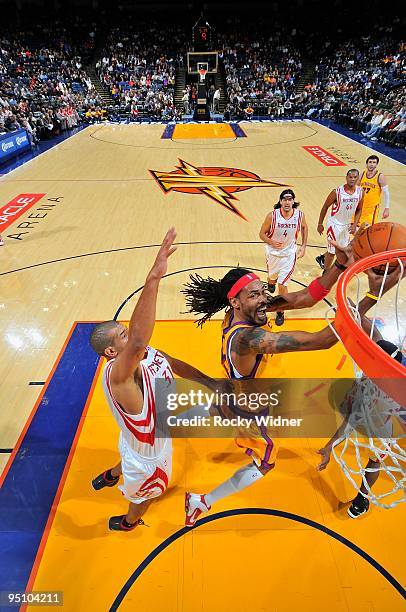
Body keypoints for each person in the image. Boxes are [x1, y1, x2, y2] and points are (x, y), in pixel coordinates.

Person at [182, 243, 361, 526]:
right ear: (235, 302)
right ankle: (201, 502)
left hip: (233, 390)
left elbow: (305, 297)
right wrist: (361, 306)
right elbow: (321, 341)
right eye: (255, 294)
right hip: (252, 410)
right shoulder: (248, 339)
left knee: (219, 406)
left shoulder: (241, 312)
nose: (264, 298)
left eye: (263, 292)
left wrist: (338, 266)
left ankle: (164, 425)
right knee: (264, 464)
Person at [90, 228, 221, 531]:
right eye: (123, 333)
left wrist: (208, 381)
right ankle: (128, 522)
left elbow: (172, 363)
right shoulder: (118, 376)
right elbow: (136, 340)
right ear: (111, 351)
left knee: (126, 445)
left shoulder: (146, 353)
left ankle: (112, 474)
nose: (132, 332)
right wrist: (153, 279)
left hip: (138, 437)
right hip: (149, 456)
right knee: (145, 497)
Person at [317, 337, 403, 518]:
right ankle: (363, 498)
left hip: (389, 420)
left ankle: (362, 496)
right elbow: (350, 419)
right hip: (378, 414)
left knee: (374, 461)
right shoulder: (365, 382)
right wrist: (329, 446)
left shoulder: (397, 388)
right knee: (374, 458)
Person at [259, 189, 308, 326]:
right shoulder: (272, 216)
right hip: (273, 253)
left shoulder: (299, 216)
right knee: (272, 277)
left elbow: (304, 228)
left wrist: (303, 246)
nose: (287, 202)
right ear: (280, 201)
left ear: (293, 201)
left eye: (290, 199)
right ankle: (271, 282)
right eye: (284, 199)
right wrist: (270, 241)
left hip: (289, 255)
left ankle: (280, 310)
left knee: (283, 284)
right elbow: (261, 234)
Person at [316, 169, 363, 271]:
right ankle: (326, 273)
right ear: (346, 178)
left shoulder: (360, 192)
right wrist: (320, 224)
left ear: (358, 178)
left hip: (346, 226)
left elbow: (359, 209)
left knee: (343, 252)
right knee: (332, 252)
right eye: (350, 177)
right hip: (334, 225)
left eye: (355, 177)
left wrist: (355, 224)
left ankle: (322, 260)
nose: (352, 179)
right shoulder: (337, 192)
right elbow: (325, 207)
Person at [356, 155, 390, 227]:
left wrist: (387, 208)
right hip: (359, 207)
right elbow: (355, 189)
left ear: (376, 164)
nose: (371, 164)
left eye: (374, 162)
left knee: (366, 232)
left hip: (371, 211)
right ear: (366, 164)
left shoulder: (380, 177)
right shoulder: (362, 174)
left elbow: (386, 193)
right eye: (370, 162)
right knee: (354, 230)